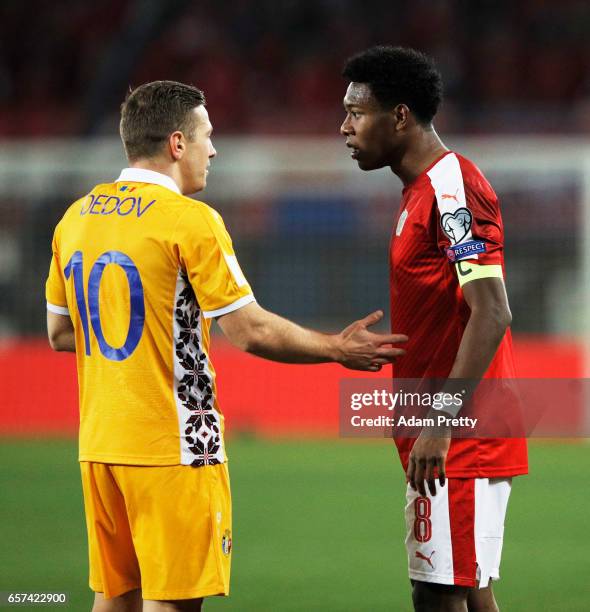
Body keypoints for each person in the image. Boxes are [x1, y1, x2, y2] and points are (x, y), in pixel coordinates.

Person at [45, 80, 407, 612]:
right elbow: (250, 330)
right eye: (206, 137)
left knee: (115, 596)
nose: (212, 150)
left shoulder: (75, 218)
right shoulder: (192, 221)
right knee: (174, 600)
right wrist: (336, 348)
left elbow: (59, 333)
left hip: (100, 443)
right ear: (176, 144)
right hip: (175, 444)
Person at [340, 47, 528, 612]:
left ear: (399, 116)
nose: (344, 127)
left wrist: (440, 426)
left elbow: (492, 310)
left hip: (462, 435)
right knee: (465, 590)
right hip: (450, 432)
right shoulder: (419, 192)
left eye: (356, 111)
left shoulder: (454, 189)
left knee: (438, 594)